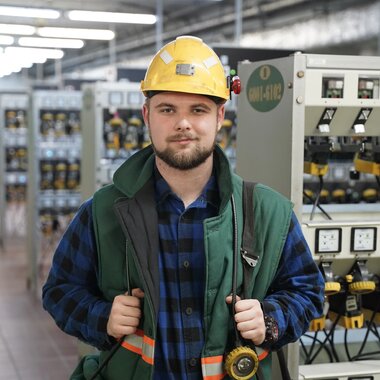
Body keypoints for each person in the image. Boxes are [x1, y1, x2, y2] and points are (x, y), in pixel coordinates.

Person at [42, 35, 324, 380]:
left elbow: (308, 293)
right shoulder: (103, 211)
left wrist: (271, 319)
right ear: (147, 115)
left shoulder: (268, 211)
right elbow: (59, 292)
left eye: (198, 110)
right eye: (167, 109)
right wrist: (101, 317)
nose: (183, 124)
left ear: (220, 116)